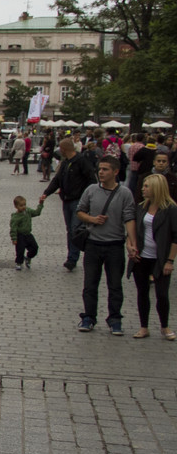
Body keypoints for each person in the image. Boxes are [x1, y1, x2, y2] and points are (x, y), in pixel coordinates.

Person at [75, 156, 137, 335]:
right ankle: (88, 317)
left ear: (116, 172)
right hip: (93, 244)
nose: (101, 172)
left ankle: (115, 319)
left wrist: (131, 243)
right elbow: (80, 211)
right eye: (100, 169)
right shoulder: (91, 190)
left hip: (115, 245)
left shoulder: (125, 193)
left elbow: (129, 218)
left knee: (115, 285)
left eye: (105, 169)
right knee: (90, 284)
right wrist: (92, 219)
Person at [130, 174, 177, 340]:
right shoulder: (141, 206)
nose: (143, 189)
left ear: (157, 188)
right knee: (142, 292)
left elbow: (175, 237)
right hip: (142, 257)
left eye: (147, 186)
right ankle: (144, 327)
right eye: (143, 186)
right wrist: (131, 246)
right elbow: (133, 230)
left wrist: (170, 261)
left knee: (162, 294)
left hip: (161, 259)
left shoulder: (170, 208)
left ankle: (164, 326)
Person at [41, 139, 99, 272]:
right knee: (70, 229)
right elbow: (57, 180)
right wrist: (46, 193)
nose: (59, 151)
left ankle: (72, 258)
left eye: (60, 148)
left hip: (78, 200)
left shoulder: (81, 161)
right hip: (66, 200)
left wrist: (87, 197)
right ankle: (71, 256)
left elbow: (91, 180)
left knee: (75, 228)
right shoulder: (66, 162)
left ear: (64, 149)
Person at [9, 196, 45, 271]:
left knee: (35, 248)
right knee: (20, 250)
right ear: (16, 206)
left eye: (24, 205)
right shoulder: (15, 217)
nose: (23, 207)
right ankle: (19, 263)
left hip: (28, 234)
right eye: (21, 205)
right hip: (20, 236)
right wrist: (14, 239)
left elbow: (36, 213)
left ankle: (28, 257)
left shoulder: (28, 211)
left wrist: (40, 204)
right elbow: (13, 229)